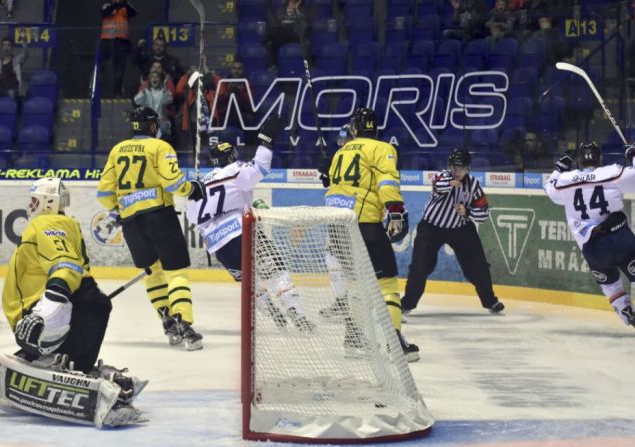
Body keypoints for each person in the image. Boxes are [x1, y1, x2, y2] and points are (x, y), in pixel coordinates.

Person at [0, 177, 146, 427]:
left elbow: (64, 262)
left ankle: (53, 360)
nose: (31, 205)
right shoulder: (67, 223)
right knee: (81, 350)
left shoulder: (47, 221)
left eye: (35, 200)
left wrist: (52, 300)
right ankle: (83, 371)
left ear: (48, 202)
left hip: (53, 313)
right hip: (87, 304)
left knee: (43, 340)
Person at [184, 116, 315, 332]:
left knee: (250, 284)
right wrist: (266, 142)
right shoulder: (235, 169)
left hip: (218, 246)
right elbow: (259, 169)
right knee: (277, 273)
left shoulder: (198, 187)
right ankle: (298, 317)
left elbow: (193, 218)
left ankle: (276, 318)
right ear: (231, 156)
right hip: (242, 233)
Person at [97, 106, 206, 350]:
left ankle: (167, 321)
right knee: (175, 271)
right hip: (159, 215)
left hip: (131, 224)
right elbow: (173, 181)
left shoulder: (117, 150)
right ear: (153, 126)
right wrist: (192, 189)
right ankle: (184, 324)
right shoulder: (160, 147)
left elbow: (104, 193)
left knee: (153, 273)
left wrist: (121, 208)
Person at [323, 107, 419, 362]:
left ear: (354, 128)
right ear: (374, 127)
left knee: (360, 283)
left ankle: (354, 339)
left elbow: (334, 185)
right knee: (387, 283)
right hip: (364, 224)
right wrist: (395, 211)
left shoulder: (341, 151)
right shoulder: (381, 148)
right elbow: (386, 181)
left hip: (337, 226)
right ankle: (395, 342)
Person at [401, 148, 505, 316]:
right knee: (421, 267)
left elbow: (484, 213)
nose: (456, 171)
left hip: (461, 229)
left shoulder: (473, 185)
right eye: (453, 167)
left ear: (468, 168)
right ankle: (407, 303)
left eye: (461, 168)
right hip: (431, 228)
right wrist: (452, 183)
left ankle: (490, 301)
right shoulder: (442, 177)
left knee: (478, 267)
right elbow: (438, 185)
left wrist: (468, 212)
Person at [544, 143, 635, 328]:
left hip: (593, 248)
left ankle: (628, 316)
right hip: (619, 238)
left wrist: (559, 170)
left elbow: (549, 190)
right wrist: (633, 154)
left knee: (611, 286)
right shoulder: (613, 171)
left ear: (579, 160)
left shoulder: (565, 180)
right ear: (599, 158)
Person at [99, 0, 136, 97]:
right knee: (104, 66)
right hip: (107, 40)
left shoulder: (124, 7)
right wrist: (117, 3)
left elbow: (133, 13)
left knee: (119, 68)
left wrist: (124, 3)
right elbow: (105, 12)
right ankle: (97, 89)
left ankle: (117, 92)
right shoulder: (107, 5)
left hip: (121, 40)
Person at [133, 69, 174, 137]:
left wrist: (165, 90)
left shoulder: (163, 91)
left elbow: (169, 100)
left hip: (161, 121)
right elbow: (136, 101)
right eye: (152, 77)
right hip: (148, 121)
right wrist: (143, 91)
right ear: (150, 80)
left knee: (162, 129)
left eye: (156, 77)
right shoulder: (146, 92)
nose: (154, 78)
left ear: (160, 79)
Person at [0, 34, 27, 101]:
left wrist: (23, 40)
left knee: (11, 93)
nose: (6, 48)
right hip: (0, 88)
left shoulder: (16, 60)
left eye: (8, 45)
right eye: (4, 45)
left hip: (12, 88)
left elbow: (26, 53)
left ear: (12, 48)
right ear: (2, 47)